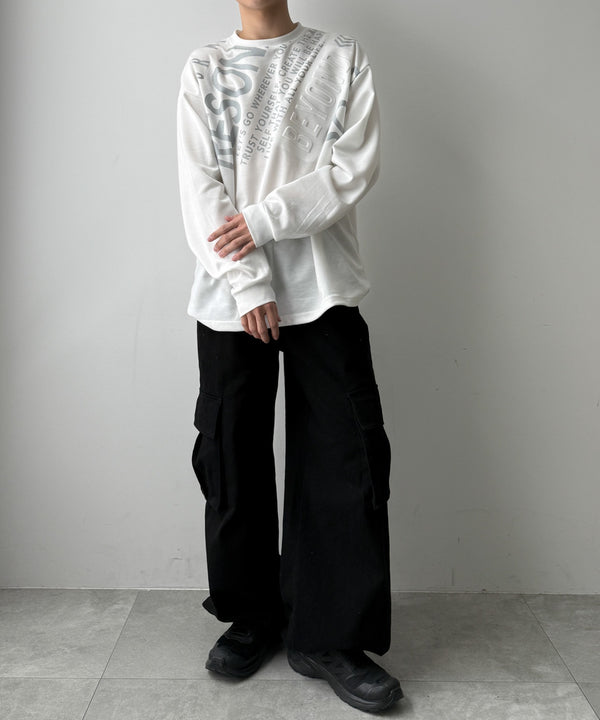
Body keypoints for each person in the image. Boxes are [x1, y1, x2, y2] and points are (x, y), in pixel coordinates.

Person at [176, 0, 403, 712]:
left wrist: (264, 221)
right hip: (230, 296)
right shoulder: (205, 68)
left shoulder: (341, 56)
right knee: (230, 456)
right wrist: (248, 281)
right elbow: (199, 188)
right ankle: (252, 617)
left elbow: (352, 169)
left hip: (325, 289)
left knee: (347, 458)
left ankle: (330, 636)